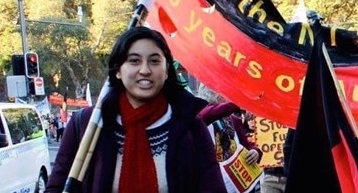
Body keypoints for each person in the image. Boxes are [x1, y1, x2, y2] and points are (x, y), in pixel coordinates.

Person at [45, 26, 226, 193]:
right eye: (134, 61)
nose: (145, 70)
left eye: (154, 61)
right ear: (118, 70)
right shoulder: (87, 125)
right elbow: (55, 187)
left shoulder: (190, 126)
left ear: (167, 70)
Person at [197, 83, 262, 193]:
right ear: (216, 94)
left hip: (239, 181)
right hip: (215, 181)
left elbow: (246, 143)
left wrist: (255, 151)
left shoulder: (234, 120)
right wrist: (241, 101)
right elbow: (213, 112)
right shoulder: (202, 116)